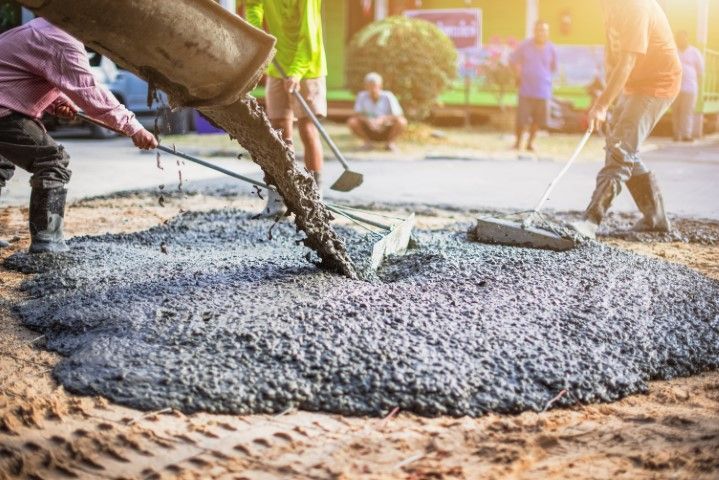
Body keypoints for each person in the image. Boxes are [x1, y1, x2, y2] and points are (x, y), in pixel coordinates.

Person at [0, 18, 157, 253]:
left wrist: (56, 103)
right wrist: (133, 127)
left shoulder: (45, 27)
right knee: (52, 160)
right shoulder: (62, 41)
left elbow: (21, 76)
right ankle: (47, 243)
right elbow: (91, 93)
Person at [572, 0, 681, 239]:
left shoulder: (636, 7)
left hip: (657, 84)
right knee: (619, 145)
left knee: (620, 149)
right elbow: (615, 54)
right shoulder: (609, 7)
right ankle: (656, 218)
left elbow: (628, 61)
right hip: (634, 85)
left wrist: (601, 106)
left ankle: (590, 221)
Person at [246, 0, 327, 213]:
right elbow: (253, 5)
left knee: (307, 128)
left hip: (308, 67)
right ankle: (281, 193)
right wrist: (257, 33)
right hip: (277, 64)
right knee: (279, 132)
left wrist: (296, 71)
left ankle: (313, 197)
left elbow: (308, 36)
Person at [510, 20, 558, 152]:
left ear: (547, 33)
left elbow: (553, 68)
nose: (541, 33)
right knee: (521, 120)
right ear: (534, 31)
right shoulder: (525, 45)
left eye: (544, 30)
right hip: (525, 90)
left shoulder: (552, 49)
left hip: (543, 91)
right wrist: (517, 75)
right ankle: (517, 143)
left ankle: (530, 143)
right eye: (538, 30)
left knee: (538, 120)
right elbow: (513, 60)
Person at [347, 72, 407, 151]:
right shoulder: (361, 96)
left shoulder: (388, 96)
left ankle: (390, 143)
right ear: (366, 86)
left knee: (402, 121)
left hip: (386, 127)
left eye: (374, 85)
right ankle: (367, 143)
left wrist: (383, 119)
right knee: (352, 121)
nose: (372, 89)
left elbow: (398, 115)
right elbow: (357, 114)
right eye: (369, 86)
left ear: (380, 86)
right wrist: (368, 121)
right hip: (368, 127)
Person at [673, 30, 704, 142]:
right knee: (676, 111)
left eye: (683, 37)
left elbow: (700, 70)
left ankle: (686, 134)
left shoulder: (694, 52)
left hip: (690, 87)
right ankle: (677, 135)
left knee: (687, 111)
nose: (680, 40)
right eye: (678, 38)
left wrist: (697, 84)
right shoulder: (673, 51)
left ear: (687, 38)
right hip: (675, 87)